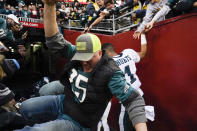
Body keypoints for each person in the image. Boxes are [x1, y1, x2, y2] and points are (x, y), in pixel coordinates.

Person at [14, 0, 148, 131]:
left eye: (88, 58)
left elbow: (133, 100)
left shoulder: (111, 72)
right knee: (26, 107)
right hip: (64, 102)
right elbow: (54, 40)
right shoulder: (75, 53)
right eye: (81, 57)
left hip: (79, 121)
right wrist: (49, 5)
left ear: (100, 53)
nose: (84, 62)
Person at [99, 34, 154, 131]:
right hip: (140, 95)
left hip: (128, 98)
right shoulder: (128, 52)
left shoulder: (108, 64)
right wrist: (143, 35)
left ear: (105, 53)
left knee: (124, 127)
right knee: (140, 125)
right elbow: (143, 53)